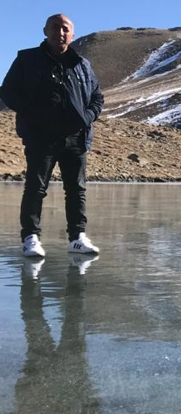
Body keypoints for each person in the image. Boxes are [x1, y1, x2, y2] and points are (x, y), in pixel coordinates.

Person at [0, 14, 104, 257]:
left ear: (72, 34)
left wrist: (87, 117)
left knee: (76, 189)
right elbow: (8, 91)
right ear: (45, 31)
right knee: (36, 187)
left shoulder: (82, 64)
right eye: (55, 28)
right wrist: (33, 114)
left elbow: (97, 97)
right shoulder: (27, 59)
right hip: (41, 136)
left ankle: (77, 238)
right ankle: (31, 238)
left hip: (76, 137)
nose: (60, 32)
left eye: (65, 28)